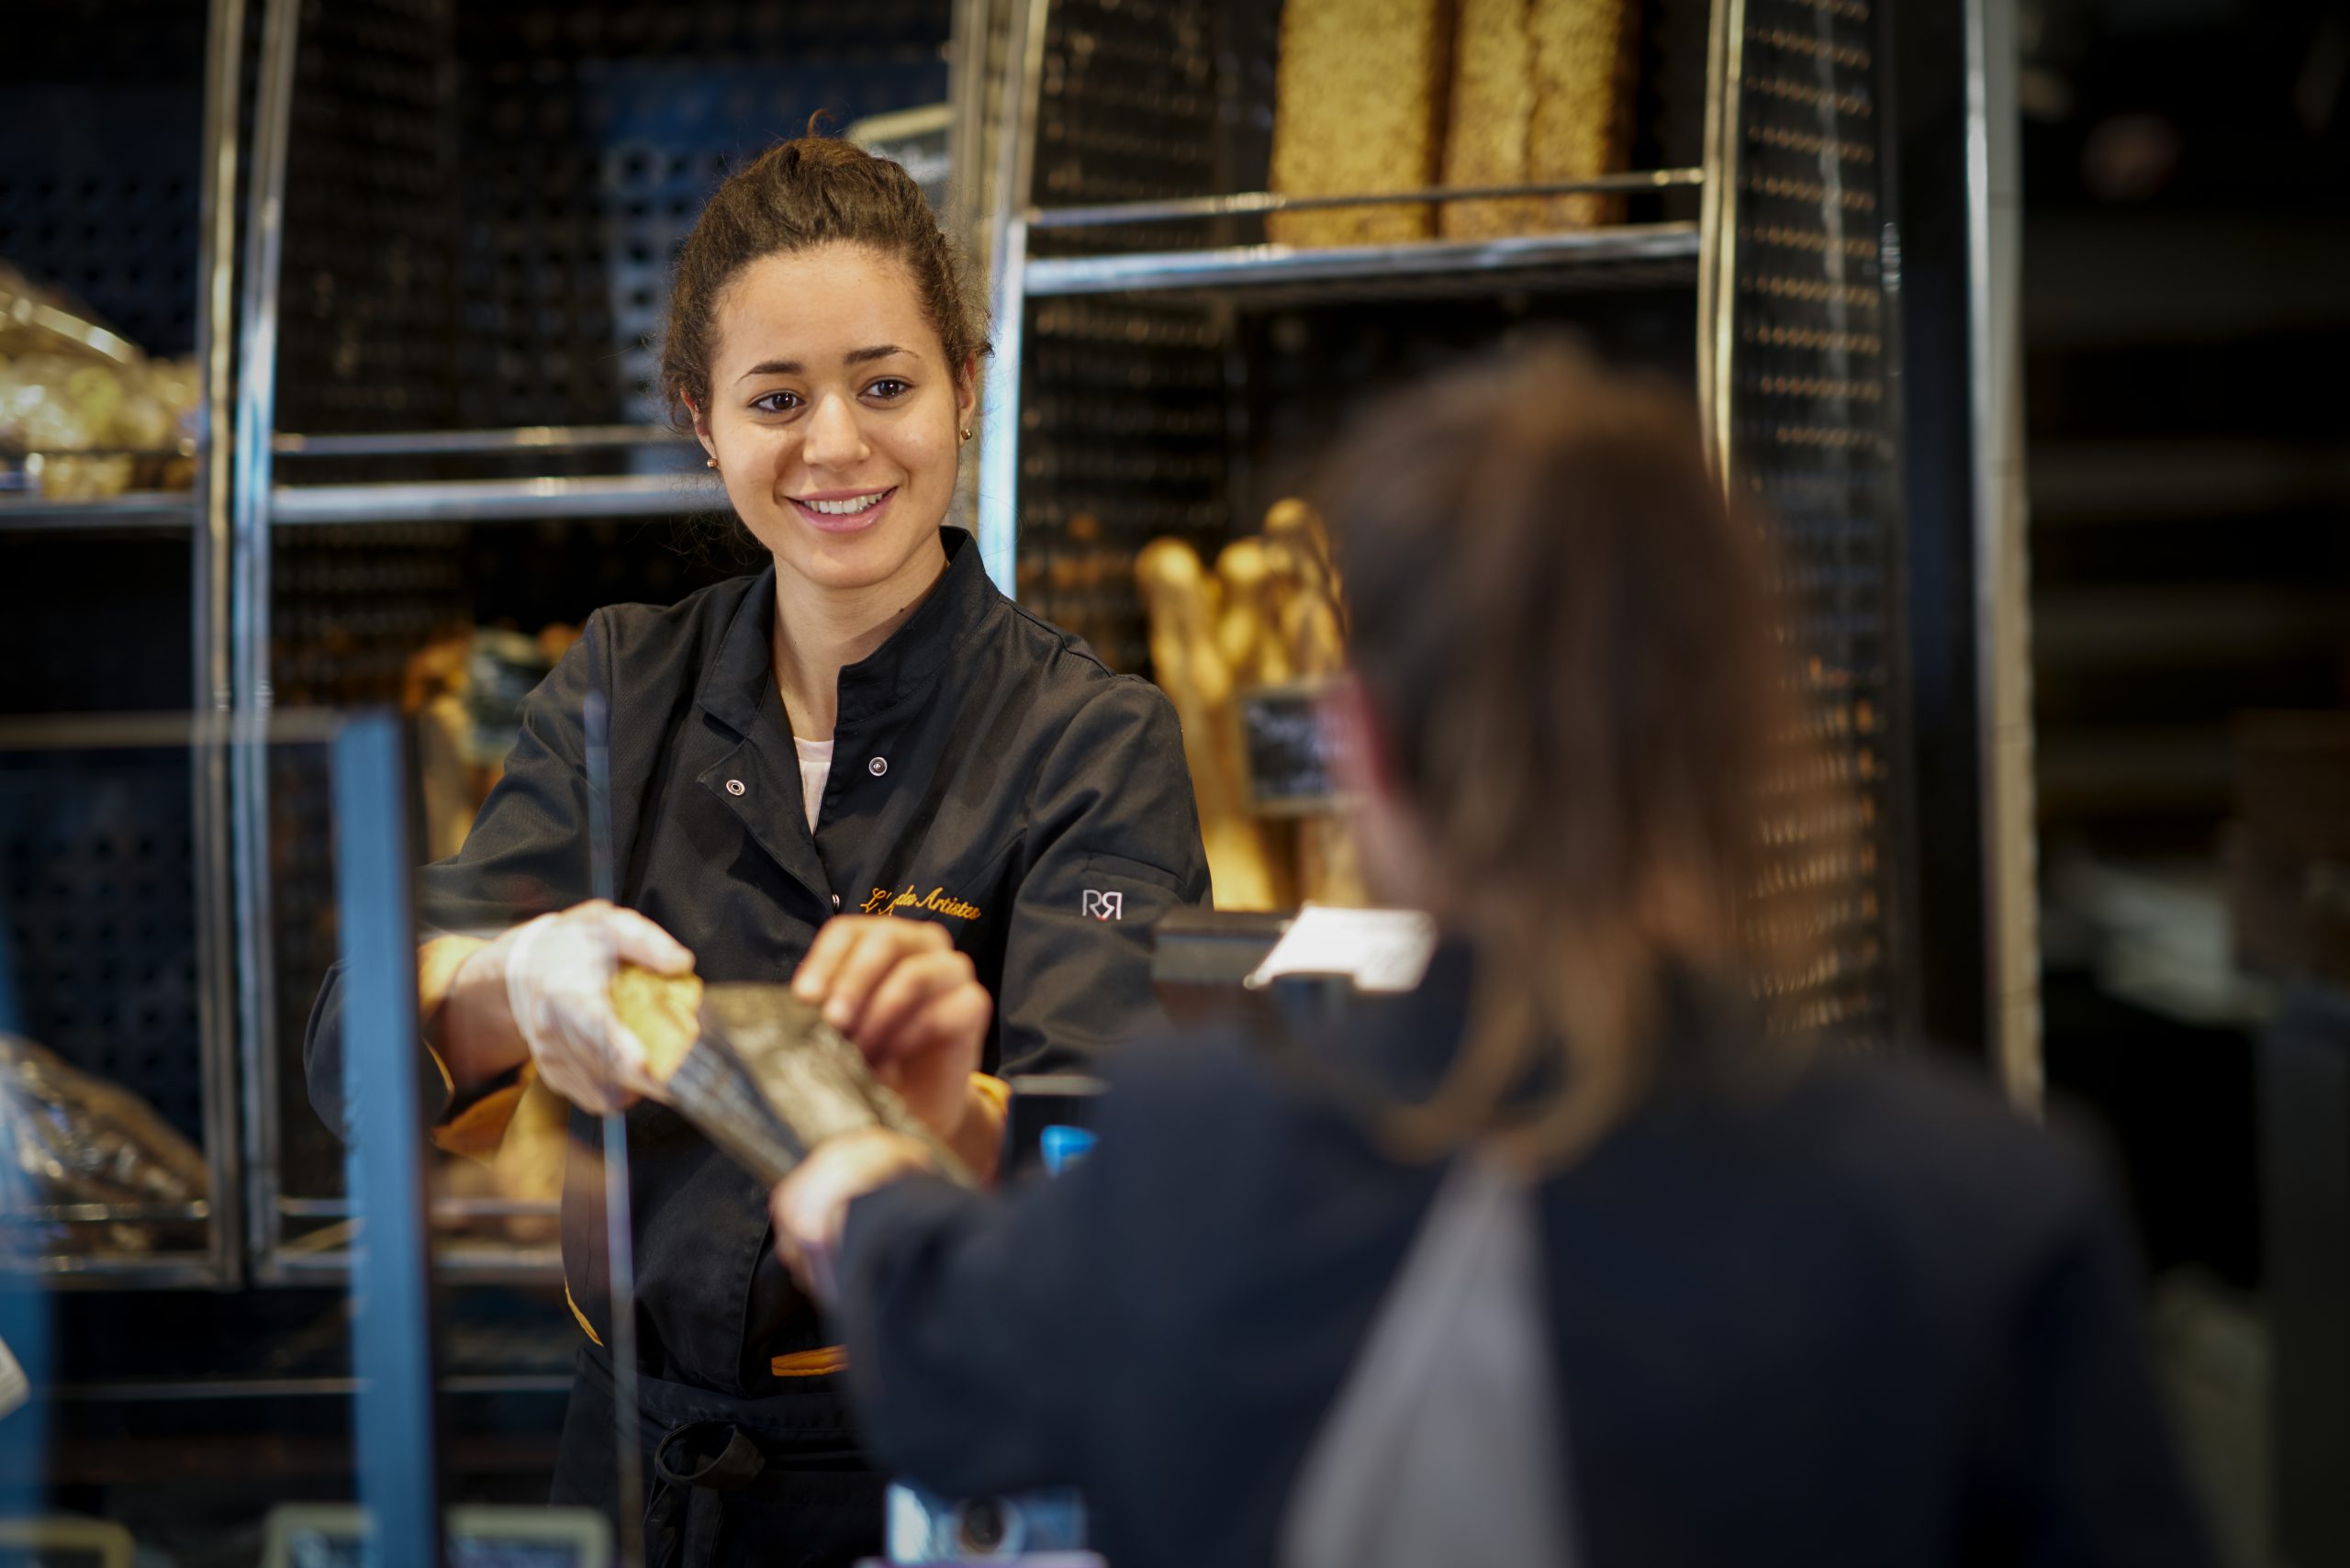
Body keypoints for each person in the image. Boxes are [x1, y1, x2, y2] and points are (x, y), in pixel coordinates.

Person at [770, 343, 2218, 1568]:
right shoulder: (1991, 1213)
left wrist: (854, 1162)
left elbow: (943, 1348)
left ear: (1365, 751)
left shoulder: (1202, 1153)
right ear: (1755, 728)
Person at [304, 134, 1209, 1566]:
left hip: (921, 1463)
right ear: (701, 422)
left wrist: (931, 1104)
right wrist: (517, 983)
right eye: (776, 398)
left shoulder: (1090, 737)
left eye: (886, 384)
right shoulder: (619, 684)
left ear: (968, 386)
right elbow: (352, 1046)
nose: (836, 445)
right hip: (617, 1461)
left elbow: (1097, 1160)